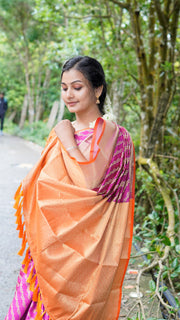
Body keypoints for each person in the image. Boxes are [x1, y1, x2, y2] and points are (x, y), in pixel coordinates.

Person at [5, 56, 135, 320]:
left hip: (85, 252)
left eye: (77, 87)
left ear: (97, 90)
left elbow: (89, 183)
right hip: (48, 245)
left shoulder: (111, 132)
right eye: (64, 88)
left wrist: (67, 139)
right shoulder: (64, 130)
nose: (69, 95)